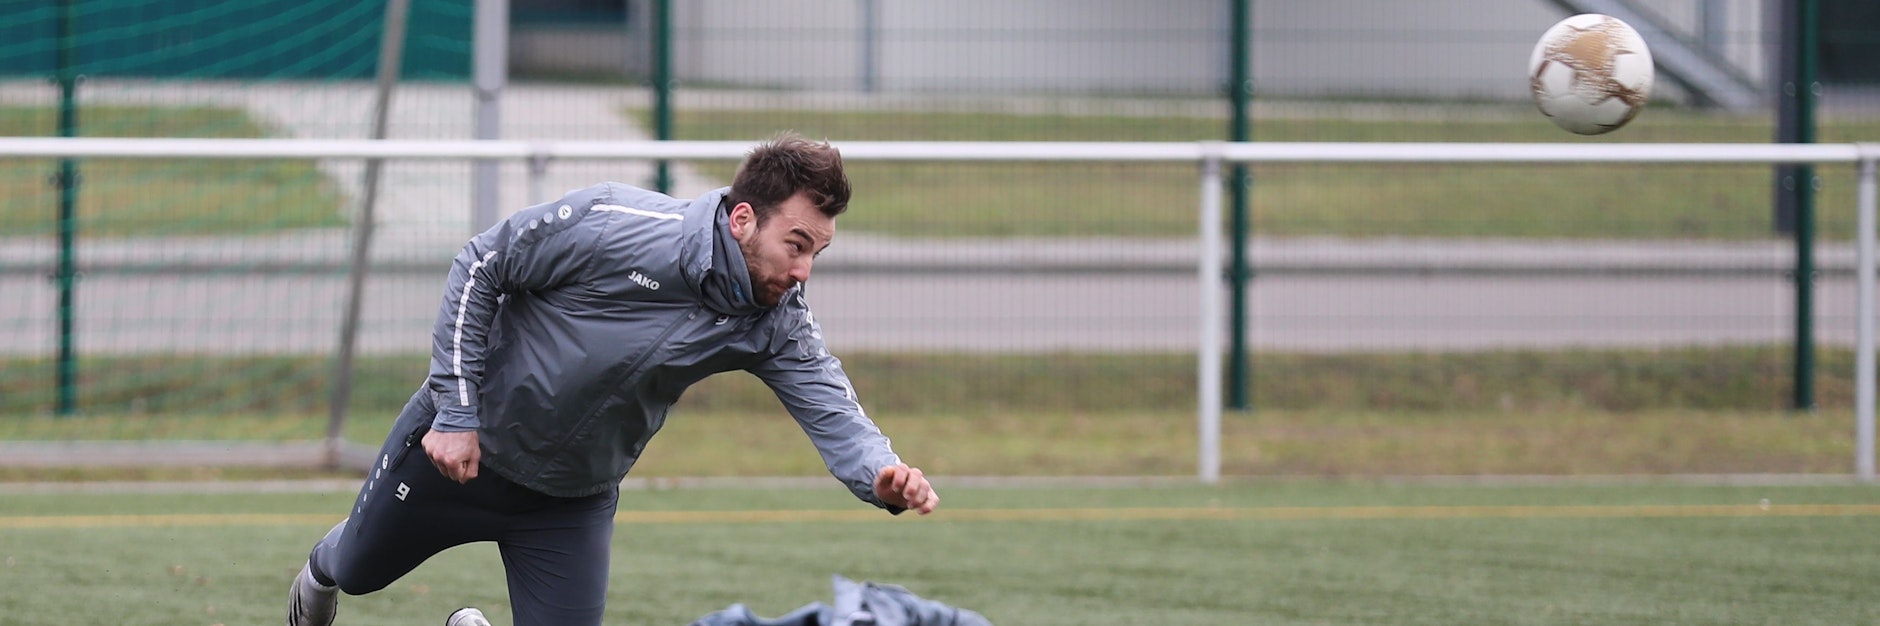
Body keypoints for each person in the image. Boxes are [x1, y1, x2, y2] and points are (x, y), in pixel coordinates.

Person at [287, 133, 940, 626]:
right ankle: (321, 571)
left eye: (817, 252)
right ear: (743, 219)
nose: (804, 272)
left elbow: (834, 410)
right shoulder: (613, 223)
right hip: (461, 455)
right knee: (358, 572)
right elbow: (481, 265)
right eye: (796, 245)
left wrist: (880, 474)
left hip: (569, 502)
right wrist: (457, 414)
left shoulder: (776, 319)